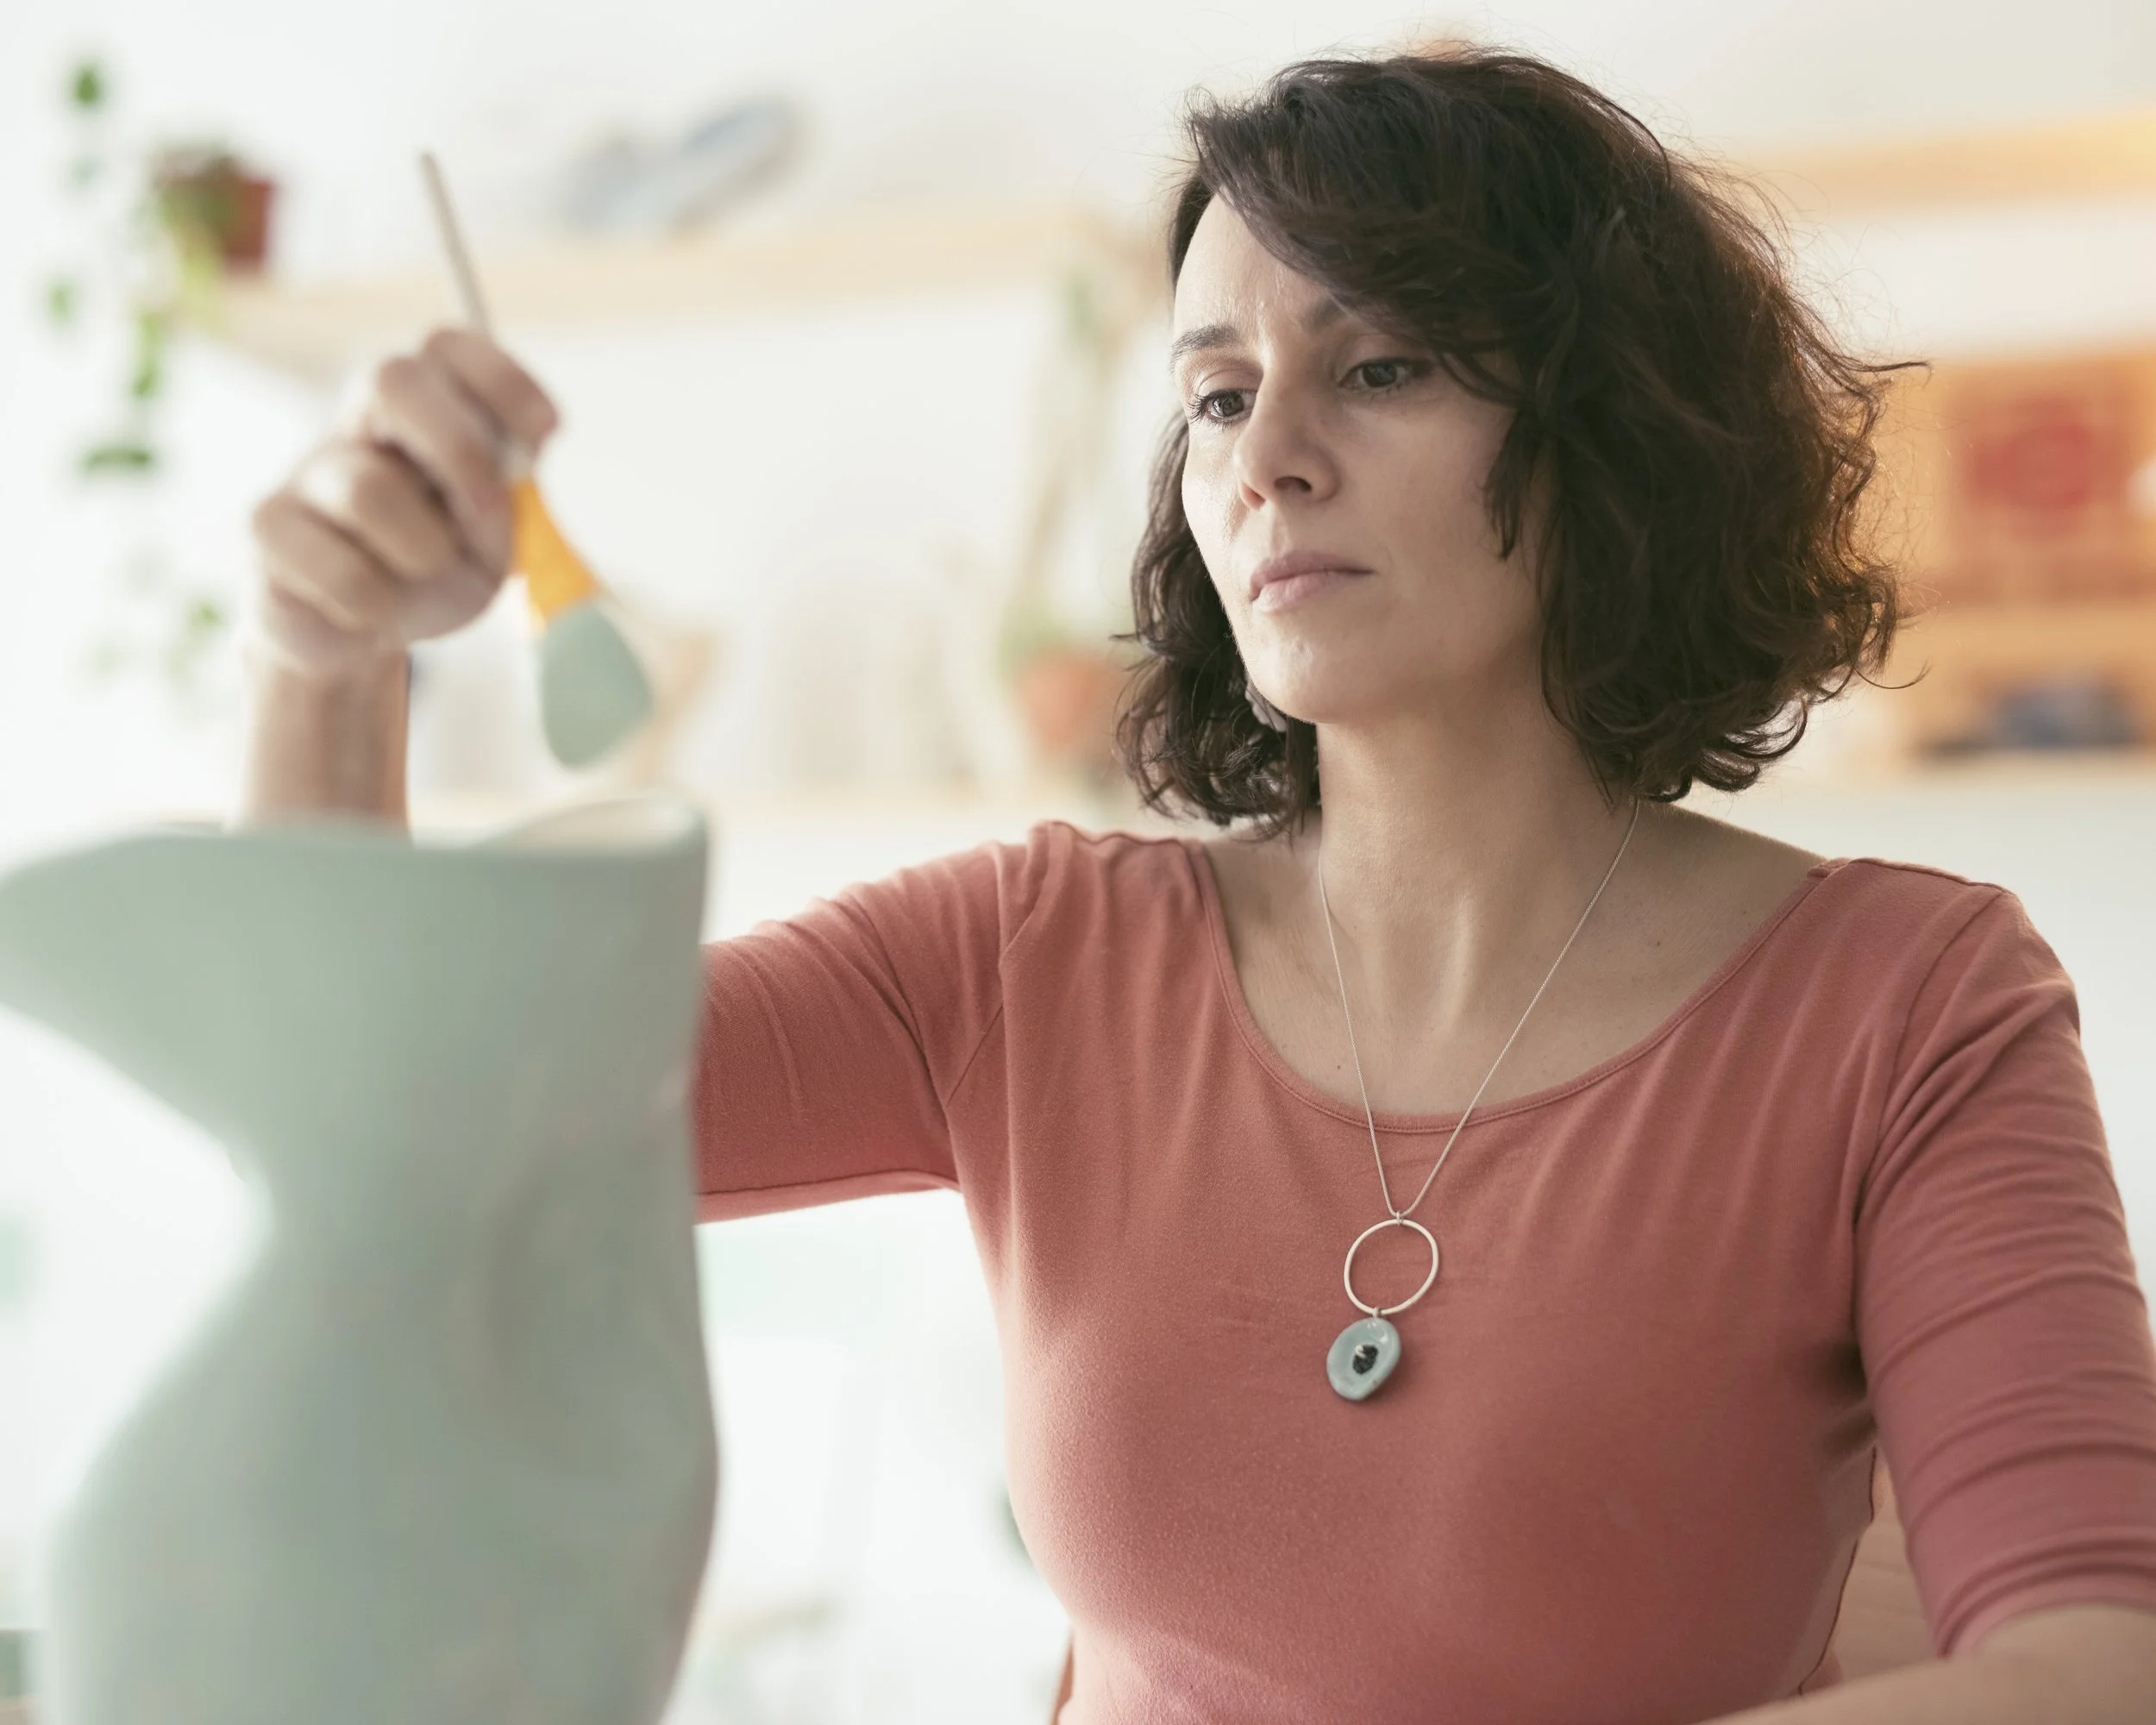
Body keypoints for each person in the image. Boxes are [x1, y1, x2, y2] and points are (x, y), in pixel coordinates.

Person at [236, 41, 2156, 1725]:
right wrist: (326, 663)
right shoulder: (1024, 955)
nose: (1268, 462)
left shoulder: (1906, 1002)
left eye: (1379, 365)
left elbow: (2089, 1668)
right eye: (1217, 393)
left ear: (1613, 433)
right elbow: (385, 1123)